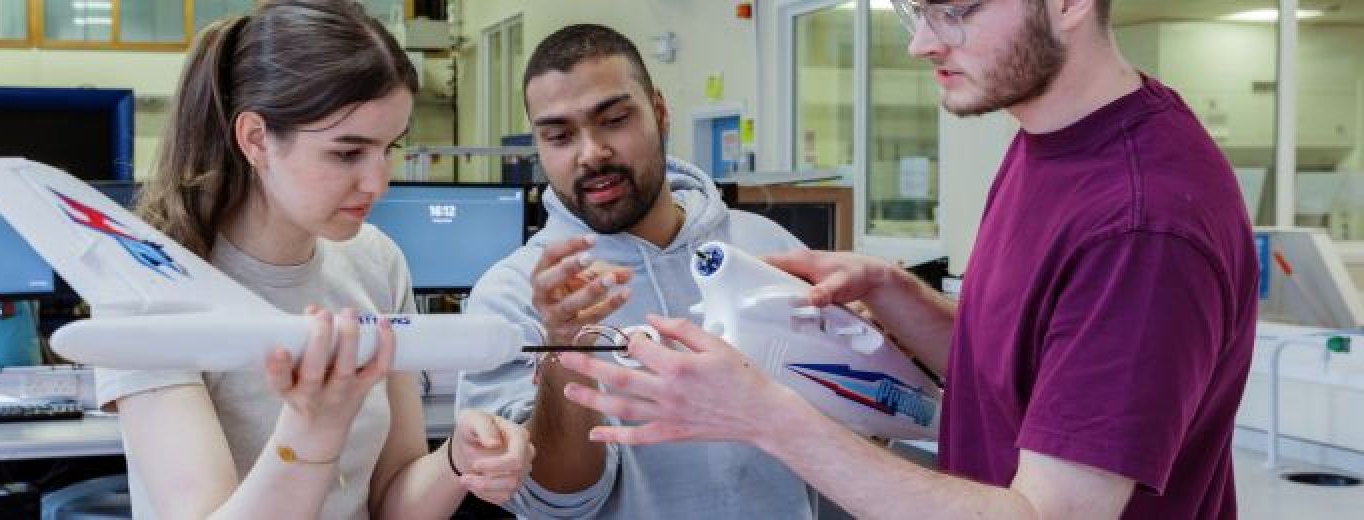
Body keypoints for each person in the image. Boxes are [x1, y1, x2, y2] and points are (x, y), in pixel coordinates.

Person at [556, 0, 1258, 518]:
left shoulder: (1142, 225)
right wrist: (900, 296)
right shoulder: (1049, 137)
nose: (923, 43)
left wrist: (765, 416)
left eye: (952, 12)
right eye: (911, 11)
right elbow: (1032, 382)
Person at [98, 2, 532, 518]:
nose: (378, 182)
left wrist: (457, 463)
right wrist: (313, 428)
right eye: (347, 153)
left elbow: (394, 501)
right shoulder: (149, 286)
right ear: (256, 138)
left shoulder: (376, 260)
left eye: (389, 147)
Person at [457, 24, 817, 518]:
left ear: (660, 111)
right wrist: (563, 343)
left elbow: (851, 427)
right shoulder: (511, 294)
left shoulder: (765, 247)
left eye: (614, 119)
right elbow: (555, 500)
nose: (591, 153)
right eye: (559, 136)